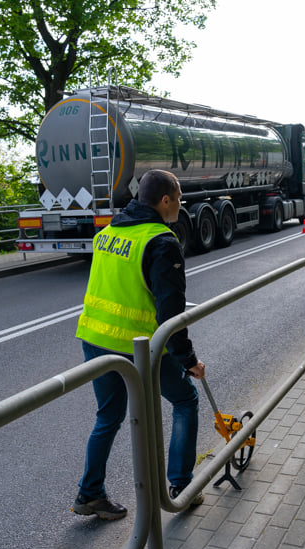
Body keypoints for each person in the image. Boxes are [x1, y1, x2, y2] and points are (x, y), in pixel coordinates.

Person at [72, 169, 206, 520]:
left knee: (108, 417)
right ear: (165, 200)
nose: (180, 204)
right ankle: (181, 486)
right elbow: (171, 313)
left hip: (95, 340)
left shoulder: (108, 232)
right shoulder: (161, 241)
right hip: (139, 347)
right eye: (178, 198)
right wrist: (187, 359)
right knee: (185, 400)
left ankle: (89, 494)